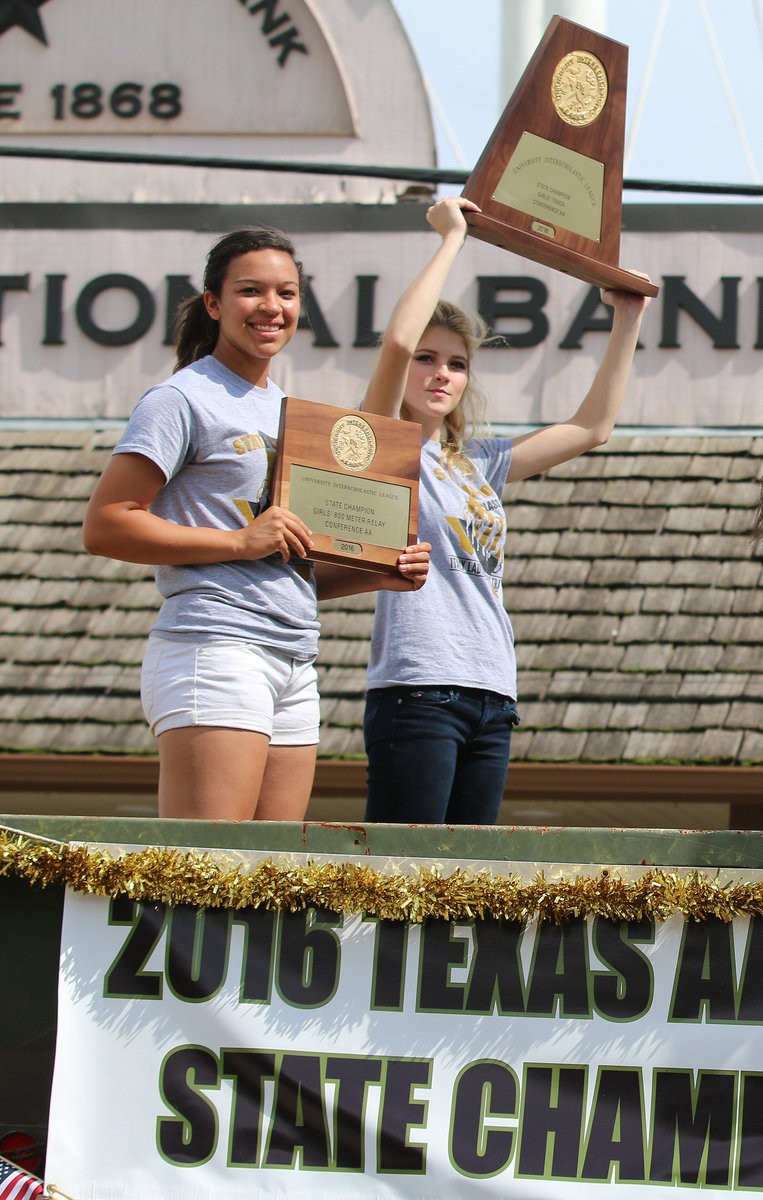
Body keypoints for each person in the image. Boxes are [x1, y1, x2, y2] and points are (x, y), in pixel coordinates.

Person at [82, 226, 430, 822]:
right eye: (251, 291)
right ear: (214, 303)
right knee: (208, 876)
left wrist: (377, 570)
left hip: (295, 654)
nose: (272, 307)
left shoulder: (292, 411)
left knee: (268, 879)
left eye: (288, 293)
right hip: (214, 646)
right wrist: (238, 539)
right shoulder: (181, 398)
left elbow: (287, 563)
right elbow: (107, 525)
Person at [361, 195, 651, 825]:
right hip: (418, 689)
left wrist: (626, 319)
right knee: (403, 881)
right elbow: (394, 342)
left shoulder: (479, 462)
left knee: (467, 889)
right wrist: (452, 239)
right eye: (428, 359)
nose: (442, 374)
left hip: (492, 693)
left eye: (457, 363)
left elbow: (591, 427)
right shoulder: (383, 444)